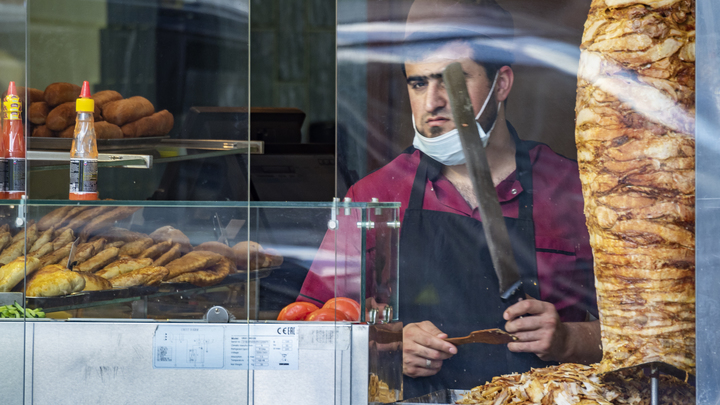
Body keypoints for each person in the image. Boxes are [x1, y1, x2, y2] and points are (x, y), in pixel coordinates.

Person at [299, 0, 601, 398]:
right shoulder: (376, 196)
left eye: (453, 80)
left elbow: (650, 333)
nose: (433, 102)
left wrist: (570, 339)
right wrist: (385, 346)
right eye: (418, 83)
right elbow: (308, 333)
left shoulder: (574, 192)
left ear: (502, 83)